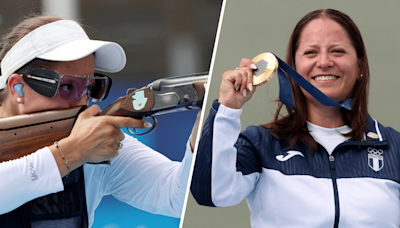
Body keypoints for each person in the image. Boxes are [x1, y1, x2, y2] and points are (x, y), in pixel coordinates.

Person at [191, 8, 400, 227]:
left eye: (337, 51)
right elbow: (211, 193)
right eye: (311, 52)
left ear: (360, 67)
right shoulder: (261, 144)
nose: (324, 62)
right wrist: (228, 108)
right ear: (294, 69)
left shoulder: (394, 148)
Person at [0, 15, 199, 227]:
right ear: (18, 88)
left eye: (92, 87)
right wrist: (70, 153)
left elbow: (180, 197)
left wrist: (205, 121)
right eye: (68, 87)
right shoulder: (81, 147)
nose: (82, 101)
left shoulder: (90, 145)